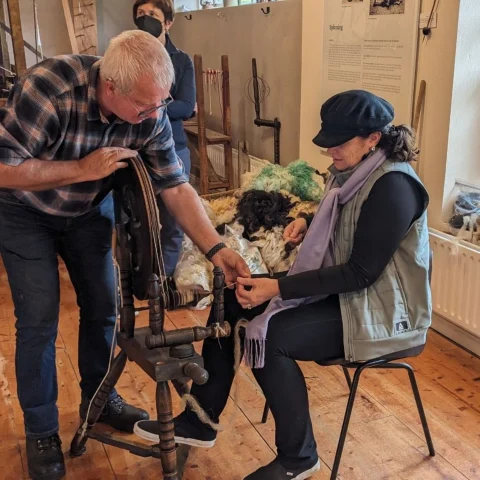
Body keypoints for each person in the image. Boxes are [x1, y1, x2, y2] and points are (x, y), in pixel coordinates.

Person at [134, 90, 432, 480]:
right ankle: (200, 420)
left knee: (272, 335)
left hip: (383, 313)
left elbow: (360, 272)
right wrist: (309, 221)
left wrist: (277, 288)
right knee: (233, 299)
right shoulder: (353, 172)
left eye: (338, 144)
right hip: (348, 296)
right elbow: (349, 221)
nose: (330, 153)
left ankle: (299, 457)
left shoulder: (394, 186)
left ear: (373, 139)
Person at [0, 30, 249, 480]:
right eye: (145, 106)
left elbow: (175, 186)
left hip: (88, 209)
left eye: (160, 104)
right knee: (38, 317)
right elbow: (3, 168)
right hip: (24, 211)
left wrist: (216, 249)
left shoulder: (147, 110)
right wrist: (82, 169)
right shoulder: (48, 89)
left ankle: (100, 399)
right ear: (109, 88)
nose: (154, 116)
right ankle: (41, 430)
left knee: (103, 308)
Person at [133, 0, 196, 282]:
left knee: (172, 220)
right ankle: (139, 275)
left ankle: (163, 278)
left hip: (174, 147)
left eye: (153, 15)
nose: (146, 20)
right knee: (138, 219)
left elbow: (187, 106)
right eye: (140, 15)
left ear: (168, 22)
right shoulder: (128, 57)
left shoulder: (180, 60)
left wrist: (146, 106)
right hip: (135, 150)